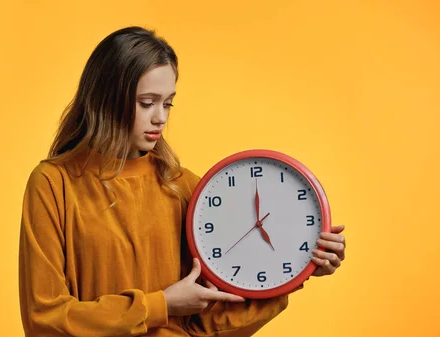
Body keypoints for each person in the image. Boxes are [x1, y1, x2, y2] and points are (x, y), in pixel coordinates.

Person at [18, 26, 346, 337]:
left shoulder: (184, 186)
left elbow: (207, 324)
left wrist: (298, 270)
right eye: (146, 103)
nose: (160, 117)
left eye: (168, 103)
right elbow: (44, 320)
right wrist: (161, 304)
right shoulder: (53, 184)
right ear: (105, 99)